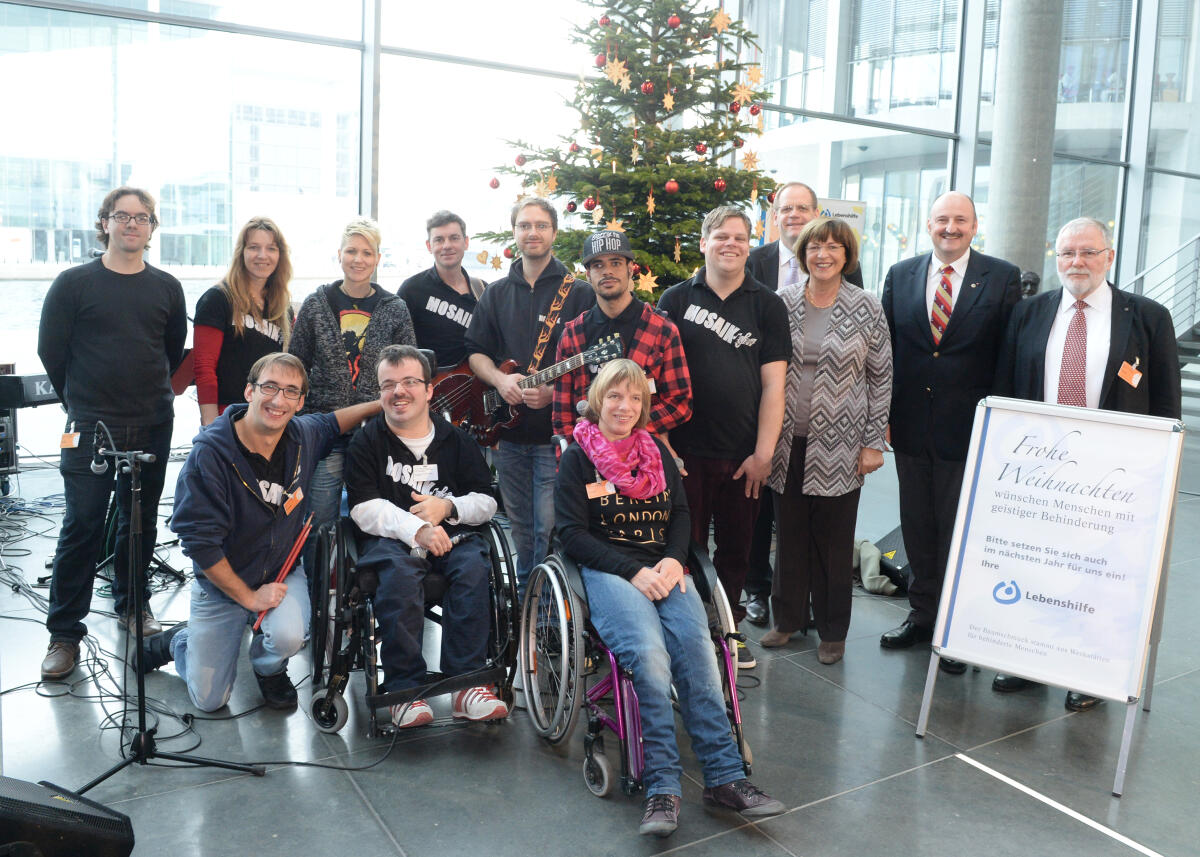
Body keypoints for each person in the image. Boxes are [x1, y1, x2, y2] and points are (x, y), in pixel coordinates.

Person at [555, 359, 784, 837]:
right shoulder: (579, 456)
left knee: (701, 652)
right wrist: (633, 571)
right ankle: (663, 784)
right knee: (653, 659)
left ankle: (724, 777)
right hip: (610, 571)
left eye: (635, 398)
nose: (625, 406)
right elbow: (572, 535)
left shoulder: (655, 451)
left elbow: (681, 514)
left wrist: (676, 560)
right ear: (599, 399)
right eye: (615, 396)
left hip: (665, 567)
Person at [991, 217, 1181, 711]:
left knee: (1095, 572)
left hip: (1110, 477)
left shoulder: (1148, 317)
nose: (1077, 262)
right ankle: (1028, 661)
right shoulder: (1029, 313)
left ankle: (1086, 670)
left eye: (1088, 252)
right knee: (1037, 564)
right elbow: (1008, 389)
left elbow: (1165, 403)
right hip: (1039, 469)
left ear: (1110, 257)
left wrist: (1159, 471)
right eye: (1067, 253)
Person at [143, 353, 381, 711]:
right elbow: (201, 545)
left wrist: (383, 402)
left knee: (288, 636)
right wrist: (250, 599)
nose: (278, 400)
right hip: (222, 583)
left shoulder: (304, 435)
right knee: (210, 700)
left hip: (280, 573)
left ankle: (268, 668)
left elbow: (336, 422)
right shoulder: (209, 456)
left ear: (301, 403)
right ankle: (179, 642)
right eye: (269, 387)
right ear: (249, 391)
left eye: (290, 392)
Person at [37, 186, 187, 681]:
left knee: (138, 521)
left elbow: (170, 350)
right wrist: (79, 402)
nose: (131, 225)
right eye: (122, 216)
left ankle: (133, 605)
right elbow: (51, 353)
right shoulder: (73, 283)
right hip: (90, 424)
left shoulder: (166, 287)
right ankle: (64, 633)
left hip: (151, 421)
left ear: (151, 229)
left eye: (141, 218)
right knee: (82, 524)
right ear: (105, 223)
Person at [879, 192, 1020, 673]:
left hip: (971, 429)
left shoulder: (1001, 278)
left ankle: (957, 626)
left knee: (960, 530)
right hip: (912, 426)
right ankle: (922, 616)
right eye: (942, 219)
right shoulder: (901, 276)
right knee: (917, 526)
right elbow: (887, 354)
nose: (950, 228)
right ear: (928, 224)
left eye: (960, 220)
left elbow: (1008, 356)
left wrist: (998, 423)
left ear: (975, 226)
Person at [346, 345, 507, 727]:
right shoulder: (367, 442)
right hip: (390, 544)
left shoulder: (457, 441)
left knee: (472, 567)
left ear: (429, 389)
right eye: (388, 385)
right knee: (399, 576)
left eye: (409, 382)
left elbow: (487, 501)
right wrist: (416, 529)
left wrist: (447, 509)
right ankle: (405, 689)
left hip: (454, 538)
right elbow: (362, 508)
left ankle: (467, 686)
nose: (398, 392)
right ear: (380, 392)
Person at [657, 205, 790, 669]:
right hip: (684, 455)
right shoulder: (674, 300)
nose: (730, 244)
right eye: (720, 236)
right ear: (703, 242)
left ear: (749, 244)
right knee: (685, 548)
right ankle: (688, 633)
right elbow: (653, 380)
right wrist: (664, 444)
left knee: (737, 550)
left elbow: (775, 384)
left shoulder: (768, 305)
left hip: (742, 457)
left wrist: (764, 454)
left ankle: (728, 631)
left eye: (739, 237)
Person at [757, 219, 892, 665]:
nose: (824, 254)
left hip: (841, 445)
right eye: (816, 246)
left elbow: (881, 377)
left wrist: (874, 442)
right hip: (784, 441)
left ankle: (833, 630)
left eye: (834, 247)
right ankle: (786, 620)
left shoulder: (867, 307)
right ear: (803, 252)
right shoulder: (783, 302)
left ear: (847, 255)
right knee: (789, 535)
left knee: (834, 541)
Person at [743, 181, 864, 628]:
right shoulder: (756, 267)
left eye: (803, 208)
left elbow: (874, 364)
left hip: (835, 432)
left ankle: (818, 610)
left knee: (820, 527)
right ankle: (762, 594)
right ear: (774, 216)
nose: (794, 214)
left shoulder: (855, 287)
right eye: (786, 208)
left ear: (816, 212)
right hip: (766, 414)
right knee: (768, 516)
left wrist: (872, 437)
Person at [465, 198, 594, 592]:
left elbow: (595, 367)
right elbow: (475, 353)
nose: (532, 232)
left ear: (554, 233)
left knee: (550, 523)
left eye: (540, 225)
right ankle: (526, 598)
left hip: (557, 436)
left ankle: (552, 604)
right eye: (524, 225)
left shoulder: (580, 294)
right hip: (508, 435)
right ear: (515, 232)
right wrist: (500, 381)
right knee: (520, 524)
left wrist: (556, 393)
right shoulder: (497, 292)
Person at [289, 216, 416, 577]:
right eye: (351, 251)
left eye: (366, 252)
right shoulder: (316, 303)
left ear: (378, 258)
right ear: (339, 255)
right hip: (325, 432)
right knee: (320, 523)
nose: (358, 259)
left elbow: (408, 371)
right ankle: (317, 604)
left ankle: (369, 595)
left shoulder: (395, 308)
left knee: (378, 516)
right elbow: (296, 365)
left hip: (378, 434)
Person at [553, 229, 691, 442]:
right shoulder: (572, 334)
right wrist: (569, 460)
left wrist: (622, 426)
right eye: (598, 265)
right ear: (588, 274)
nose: (607, 271)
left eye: (615, 263)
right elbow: (562, 413)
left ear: (630, 269)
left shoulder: (662, 330)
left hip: (642, 456)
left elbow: (680, 403)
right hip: (587, 458)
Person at [193, 217, 294, 425]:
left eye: (271, 248)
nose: (262, 256)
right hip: (225, 418)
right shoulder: (217, 299)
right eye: (253, 247)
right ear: (241, 252)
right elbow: (204, 369)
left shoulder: (282, 308)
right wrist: (211, 427)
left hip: (265, 418)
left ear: (280, 255)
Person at [399, 210, 486, 369]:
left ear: (465, 242)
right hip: (431, 388)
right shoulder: (411, 290)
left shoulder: (483, 290)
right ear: (429, 246)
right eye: (439, 240)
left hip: (477, 388)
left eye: (454, 238)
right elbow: (398, 350)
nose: (447, 245)